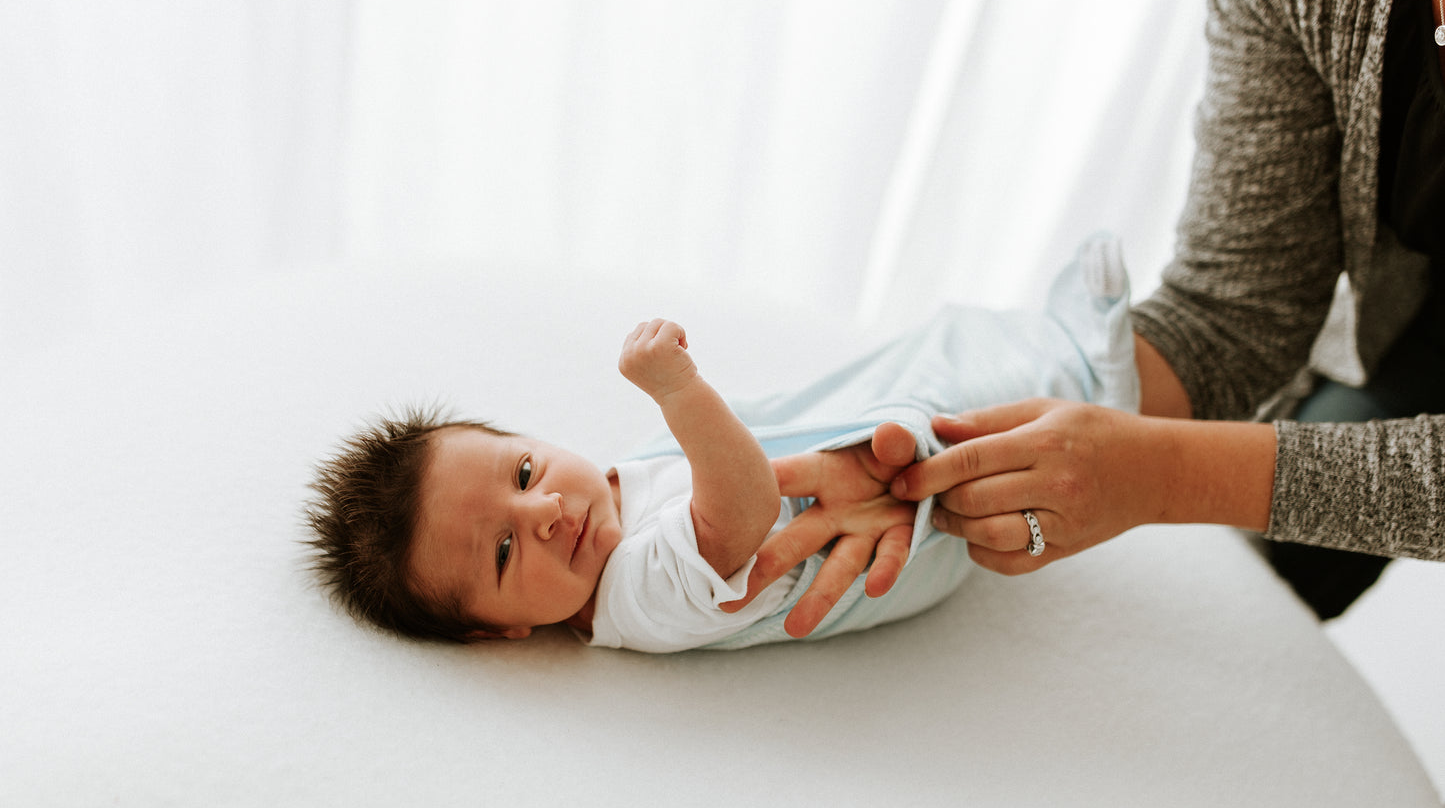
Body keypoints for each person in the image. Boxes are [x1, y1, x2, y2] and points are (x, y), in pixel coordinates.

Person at [736, 0, 1445, 633]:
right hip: (1410, 327)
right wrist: (936, 436)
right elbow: (1234, 312)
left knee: (1266, 559)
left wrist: (1166, 477)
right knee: (1256, 575)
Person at [305, 235, 1140, 651]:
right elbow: (740, 512)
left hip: (843, 481)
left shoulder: (609, 504)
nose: (548, 510)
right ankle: (1091, 374)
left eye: (522, 472)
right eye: (501, 551)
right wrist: (679, 393)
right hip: (896, 538)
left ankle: (1051, 342)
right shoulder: (632, 595)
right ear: (499, 631)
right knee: (962, 414)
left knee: (922, 359)